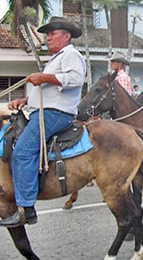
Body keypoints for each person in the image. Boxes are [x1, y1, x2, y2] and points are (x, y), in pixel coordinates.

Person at [0, 16, 86, 227]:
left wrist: (44, 78)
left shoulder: (72, 55)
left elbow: (76, 80)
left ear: (66, 36)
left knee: (22, 150)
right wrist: (26, 100)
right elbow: (48, 92)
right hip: (43, 110)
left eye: (52, 34)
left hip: (56, 114)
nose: (48, 38)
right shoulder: (56, 58)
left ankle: (26, 209)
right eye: (47, 34)